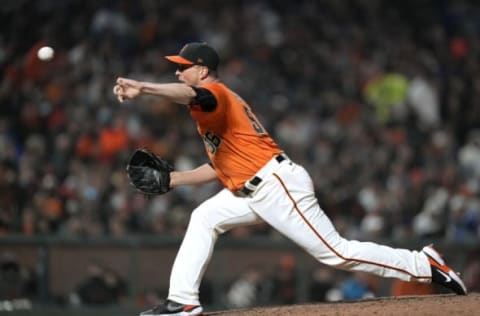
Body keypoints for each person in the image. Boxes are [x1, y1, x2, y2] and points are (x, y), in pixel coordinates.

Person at [113, 42, 467, 316]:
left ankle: (424, 264)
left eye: (183, 68)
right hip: (250, 187)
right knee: (204, 217)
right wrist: (173, 180)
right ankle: (182, 302)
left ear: (203, 71)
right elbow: (221, 167)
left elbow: (190, 94)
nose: (177, 73)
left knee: (334, 253)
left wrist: (143, 88)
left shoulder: (215, 95)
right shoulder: (208, 113)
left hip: (276, 184)